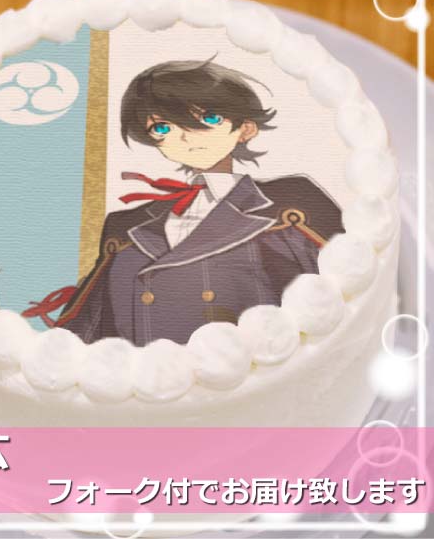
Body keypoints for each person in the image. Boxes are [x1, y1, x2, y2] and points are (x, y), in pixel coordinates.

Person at [23, 58, 344, 345]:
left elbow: (345, 289)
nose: (185, 136)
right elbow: (85, 330)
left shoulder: (289, 203)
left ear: (245, 129)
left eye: (208, 118)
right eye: (162, 127)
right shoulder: (126, 226)